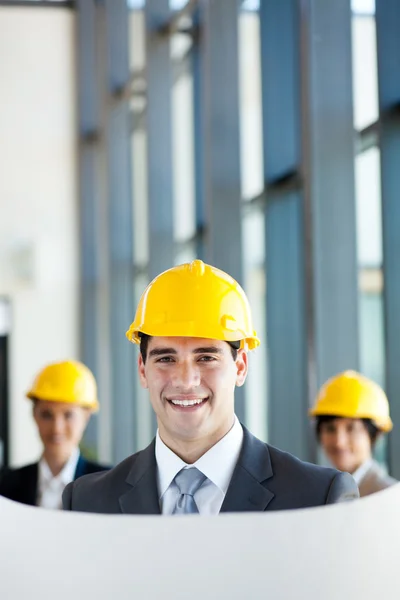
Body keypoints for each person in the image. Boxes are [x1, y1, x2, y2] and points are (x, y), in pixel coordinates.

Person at [63, 260, 358, 514]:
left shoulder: (318, 499)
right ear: (143, 370)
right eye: (166, 358)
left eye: (206, 357)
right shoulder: (87, 503)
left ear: (240, 366)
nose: (186, 379)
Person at [0, 360, 109, 508]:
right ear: (34, 415)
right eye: (46, 415)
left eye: (68, 415)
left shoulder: (108, 484)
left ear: (86, 417)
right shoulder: (6, 485)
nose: (57, 428)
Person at [310, 370, 396, 497]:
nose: (339, 442)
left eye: (351, 429)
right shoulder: (318, 492)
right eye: (330, 429)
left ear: (374, 435)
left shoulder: (390, 496)